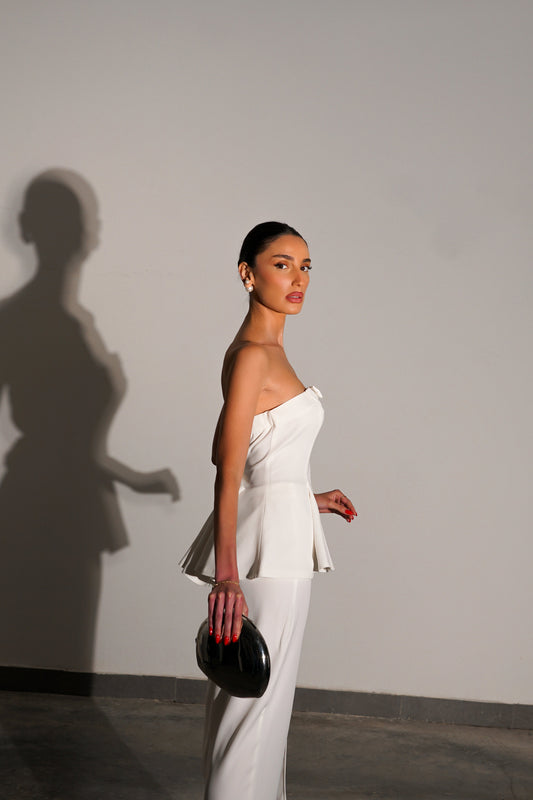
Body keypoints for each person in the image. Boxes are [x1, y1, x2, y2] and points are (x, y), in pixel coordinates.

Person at [180, 221, 356, 800]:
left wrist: (307, 500)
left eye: (306, 266)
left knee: (262, 711)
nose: (298, 278)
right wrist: (226, 578)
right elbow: (227, 468)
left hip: (283, 535)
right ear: (247, 273)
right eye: (282, 264)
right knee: (251, 713)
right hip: (267, 558)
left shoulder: (267, 352)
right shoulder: (254, 356)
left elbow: (256, 455)